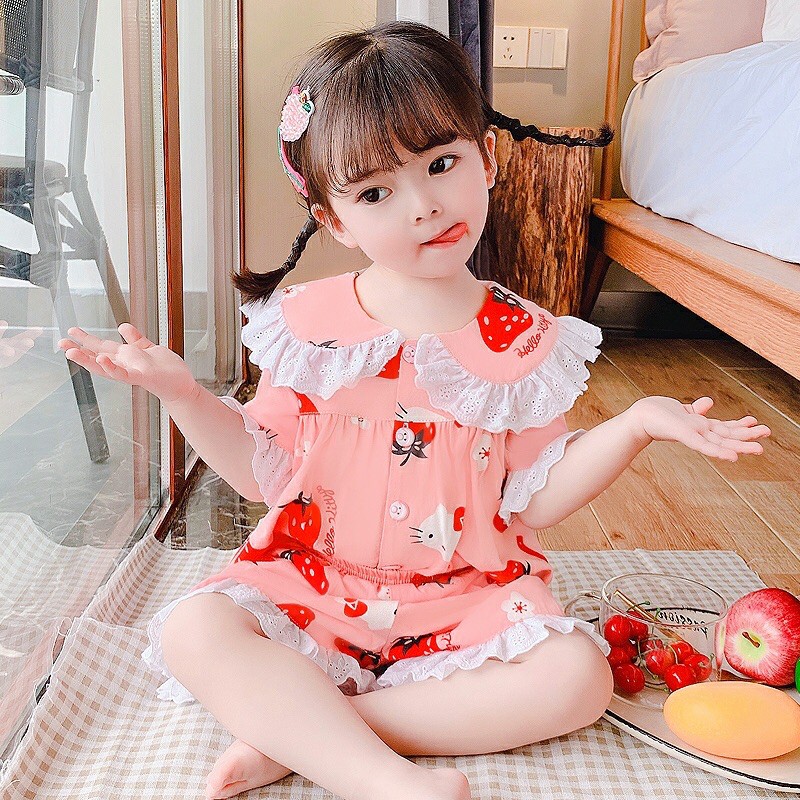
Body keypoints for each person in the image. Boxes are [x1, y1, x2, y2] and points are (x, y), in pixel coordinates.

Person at [58, 21, 771, 800]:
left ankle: (301, 733)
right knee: (194, 628)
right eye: (375, 193)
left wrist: (637, 425)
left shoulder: (524, 339)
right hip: (313, 584)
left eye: (441, 164)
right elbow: (265, 475)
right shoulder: (307, 326)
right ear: (335, 220)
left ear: (487, 157)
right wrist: (184, 395)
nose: (425, 206)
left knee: (578, 679)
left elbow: (537, 495)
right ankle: (383, 780)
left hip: (467, 597)